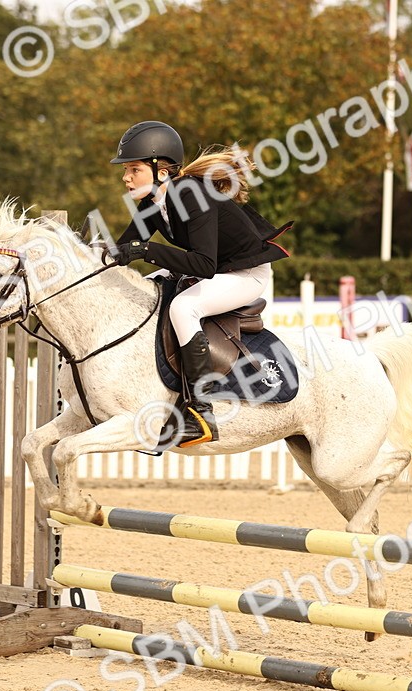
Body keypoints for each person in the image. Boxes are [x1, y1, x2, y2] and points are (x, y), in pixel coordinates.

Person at [108, 121, 291, 447]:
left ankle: (200, 412)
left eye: (133, 169)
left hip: (245, 275)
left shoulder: (193, 197)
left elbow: (203, 264)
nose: (126, 177)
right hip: (218, 270)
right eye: (126, 170)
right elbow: (121, 250)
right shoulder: (153, 203)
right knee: (146, 291)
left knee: (184, 306)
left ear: (160, 172)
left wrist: (147, 251)